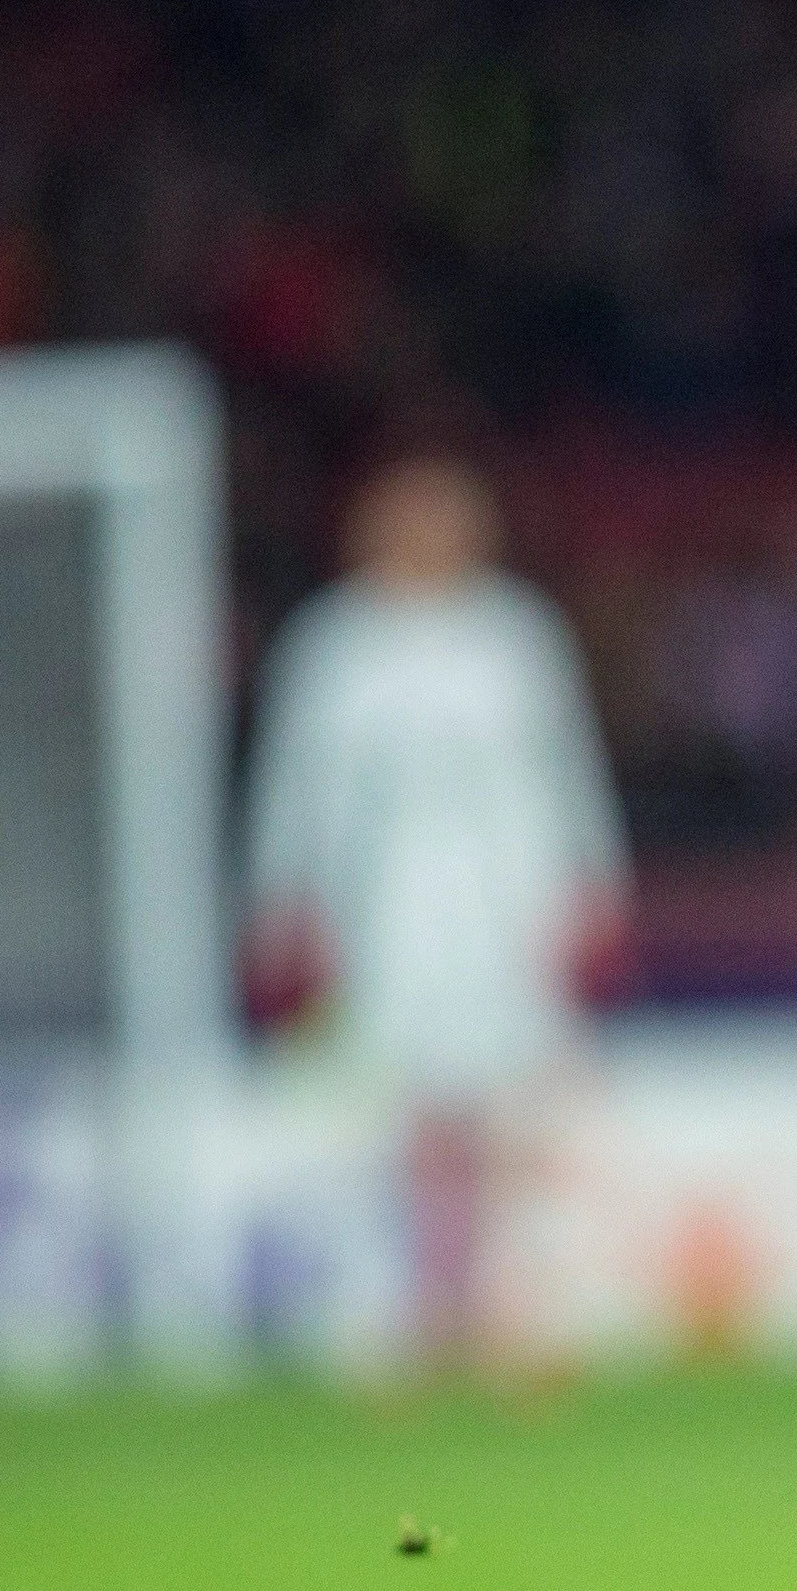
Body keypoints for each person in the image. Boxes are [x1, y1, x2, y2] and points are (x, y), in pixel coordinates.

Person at [243, 455, 632, 1383]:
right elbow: (298, 787)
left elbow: (564, 770)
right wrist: (278, 899)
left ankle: (510, 1310)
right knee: (403, 1110)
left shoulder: (513, 637)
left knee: (511, 1105)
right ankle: (419, 1306)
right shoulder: (336, 646)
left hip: (505, 899)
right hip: (385, 907)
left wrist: (590, 884)